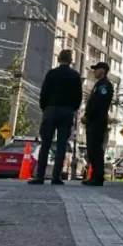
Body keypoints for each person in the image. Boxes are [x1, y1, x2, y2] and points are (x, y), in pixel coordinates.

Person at [30, 49, 83, 185]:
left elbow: (44, 93)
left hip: (51, 110)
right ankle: (56, 177)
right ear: (71, 60)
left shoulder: (51, 74)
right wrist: (72, 109)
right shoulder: (75, 76)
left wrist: (45, 108)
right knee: (61, 146)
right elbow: (78, 97)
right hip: (67, 112)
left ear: (59, 59)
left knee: (45, 144)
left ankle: (39, 176)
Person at [82, 62, 114, 187]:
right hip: (92, 121)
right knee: (91, 150)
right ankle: (94, 176)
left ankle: (98, 177)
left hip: (98, 121)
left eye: (96, 69)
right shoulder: (98, 85)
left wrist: (88, 116)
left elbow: (99, 104)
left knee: (96, 150)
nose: (94, 72)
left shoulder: (105, 85)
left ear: (103, 70)